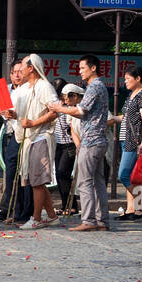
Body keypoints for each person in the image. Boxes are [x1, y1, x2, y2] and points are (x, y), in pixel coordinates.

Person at [49, 54, 111, 232]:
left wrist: (59, 108)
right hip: (98, 140)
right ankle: (102, 220)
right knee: (97, 182)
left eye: (83, 68)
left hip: (91, 141)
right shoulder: (99, 87)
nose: (80, 72)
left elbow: (81, 111)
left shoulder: (94, 87)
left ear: (93, 68)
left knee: (84, 182)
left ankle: (89, 220)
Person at [16, 53, 60, 229]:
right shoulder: (26, 88)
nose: (20, 70)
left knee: (37, 182)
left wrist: (34, 122)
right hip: (30, 139)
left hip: (41, 137)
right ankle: (51, 216)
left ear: (31, 68)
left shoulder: (44, 86)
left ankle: (36, 219)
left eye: (23, 66)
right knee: (37, 181)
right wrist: (13, 114)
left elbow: (55, 111)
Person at [0, 57, 33, 224]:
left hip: (27, 134)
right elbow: (3, 111)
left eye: (20, 72)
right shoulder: (4, 88)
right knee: (10, 173)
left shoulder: (30, 89)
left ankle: (24, 212)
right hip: (10, 133)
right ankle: (10, 209)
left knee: (25, 174)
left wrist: (11, 113)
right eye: (13, 72)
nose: (17, 75)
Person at [112, 65, 142, 221]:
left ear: (138, 79)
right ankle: (131, 209)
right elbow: (125, 118)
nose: (125, 82)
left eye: (128, 79)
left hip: (134, 141)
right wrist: (111, 119)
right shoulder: (132, 95)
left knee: (123, 175)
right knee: (131, 176)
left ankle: (141, 206)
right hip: (125, 139)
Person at [54, 83, 82, 215]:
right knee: (59, 175)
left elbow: (72, 125)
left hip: (69, 143)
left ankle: (72, 205)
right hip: (58, 143)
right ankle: (66, 205)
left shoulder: (70, 106)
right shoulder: (56, 104)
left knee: (63, 173)